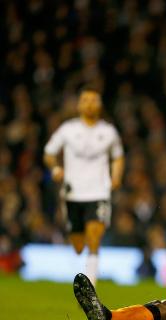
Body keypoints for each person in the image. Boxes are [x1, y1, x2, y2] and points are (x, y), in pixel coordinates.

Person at [44, 88, 124, 286]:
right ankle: (86, 264)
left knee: (94, 237)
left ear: (100, 105)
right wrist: (55, 168)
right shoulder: (68, 129)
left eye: (93, 100)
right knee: (78, 245)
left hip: (99, 192)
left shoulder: (108, 131)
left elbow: (118, 156)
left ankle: (91, 287)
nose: (89, 104)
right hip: (73, 193)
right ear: (79, 105)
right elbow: (49, 152)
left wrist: (115, 176)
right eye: (85, 100)